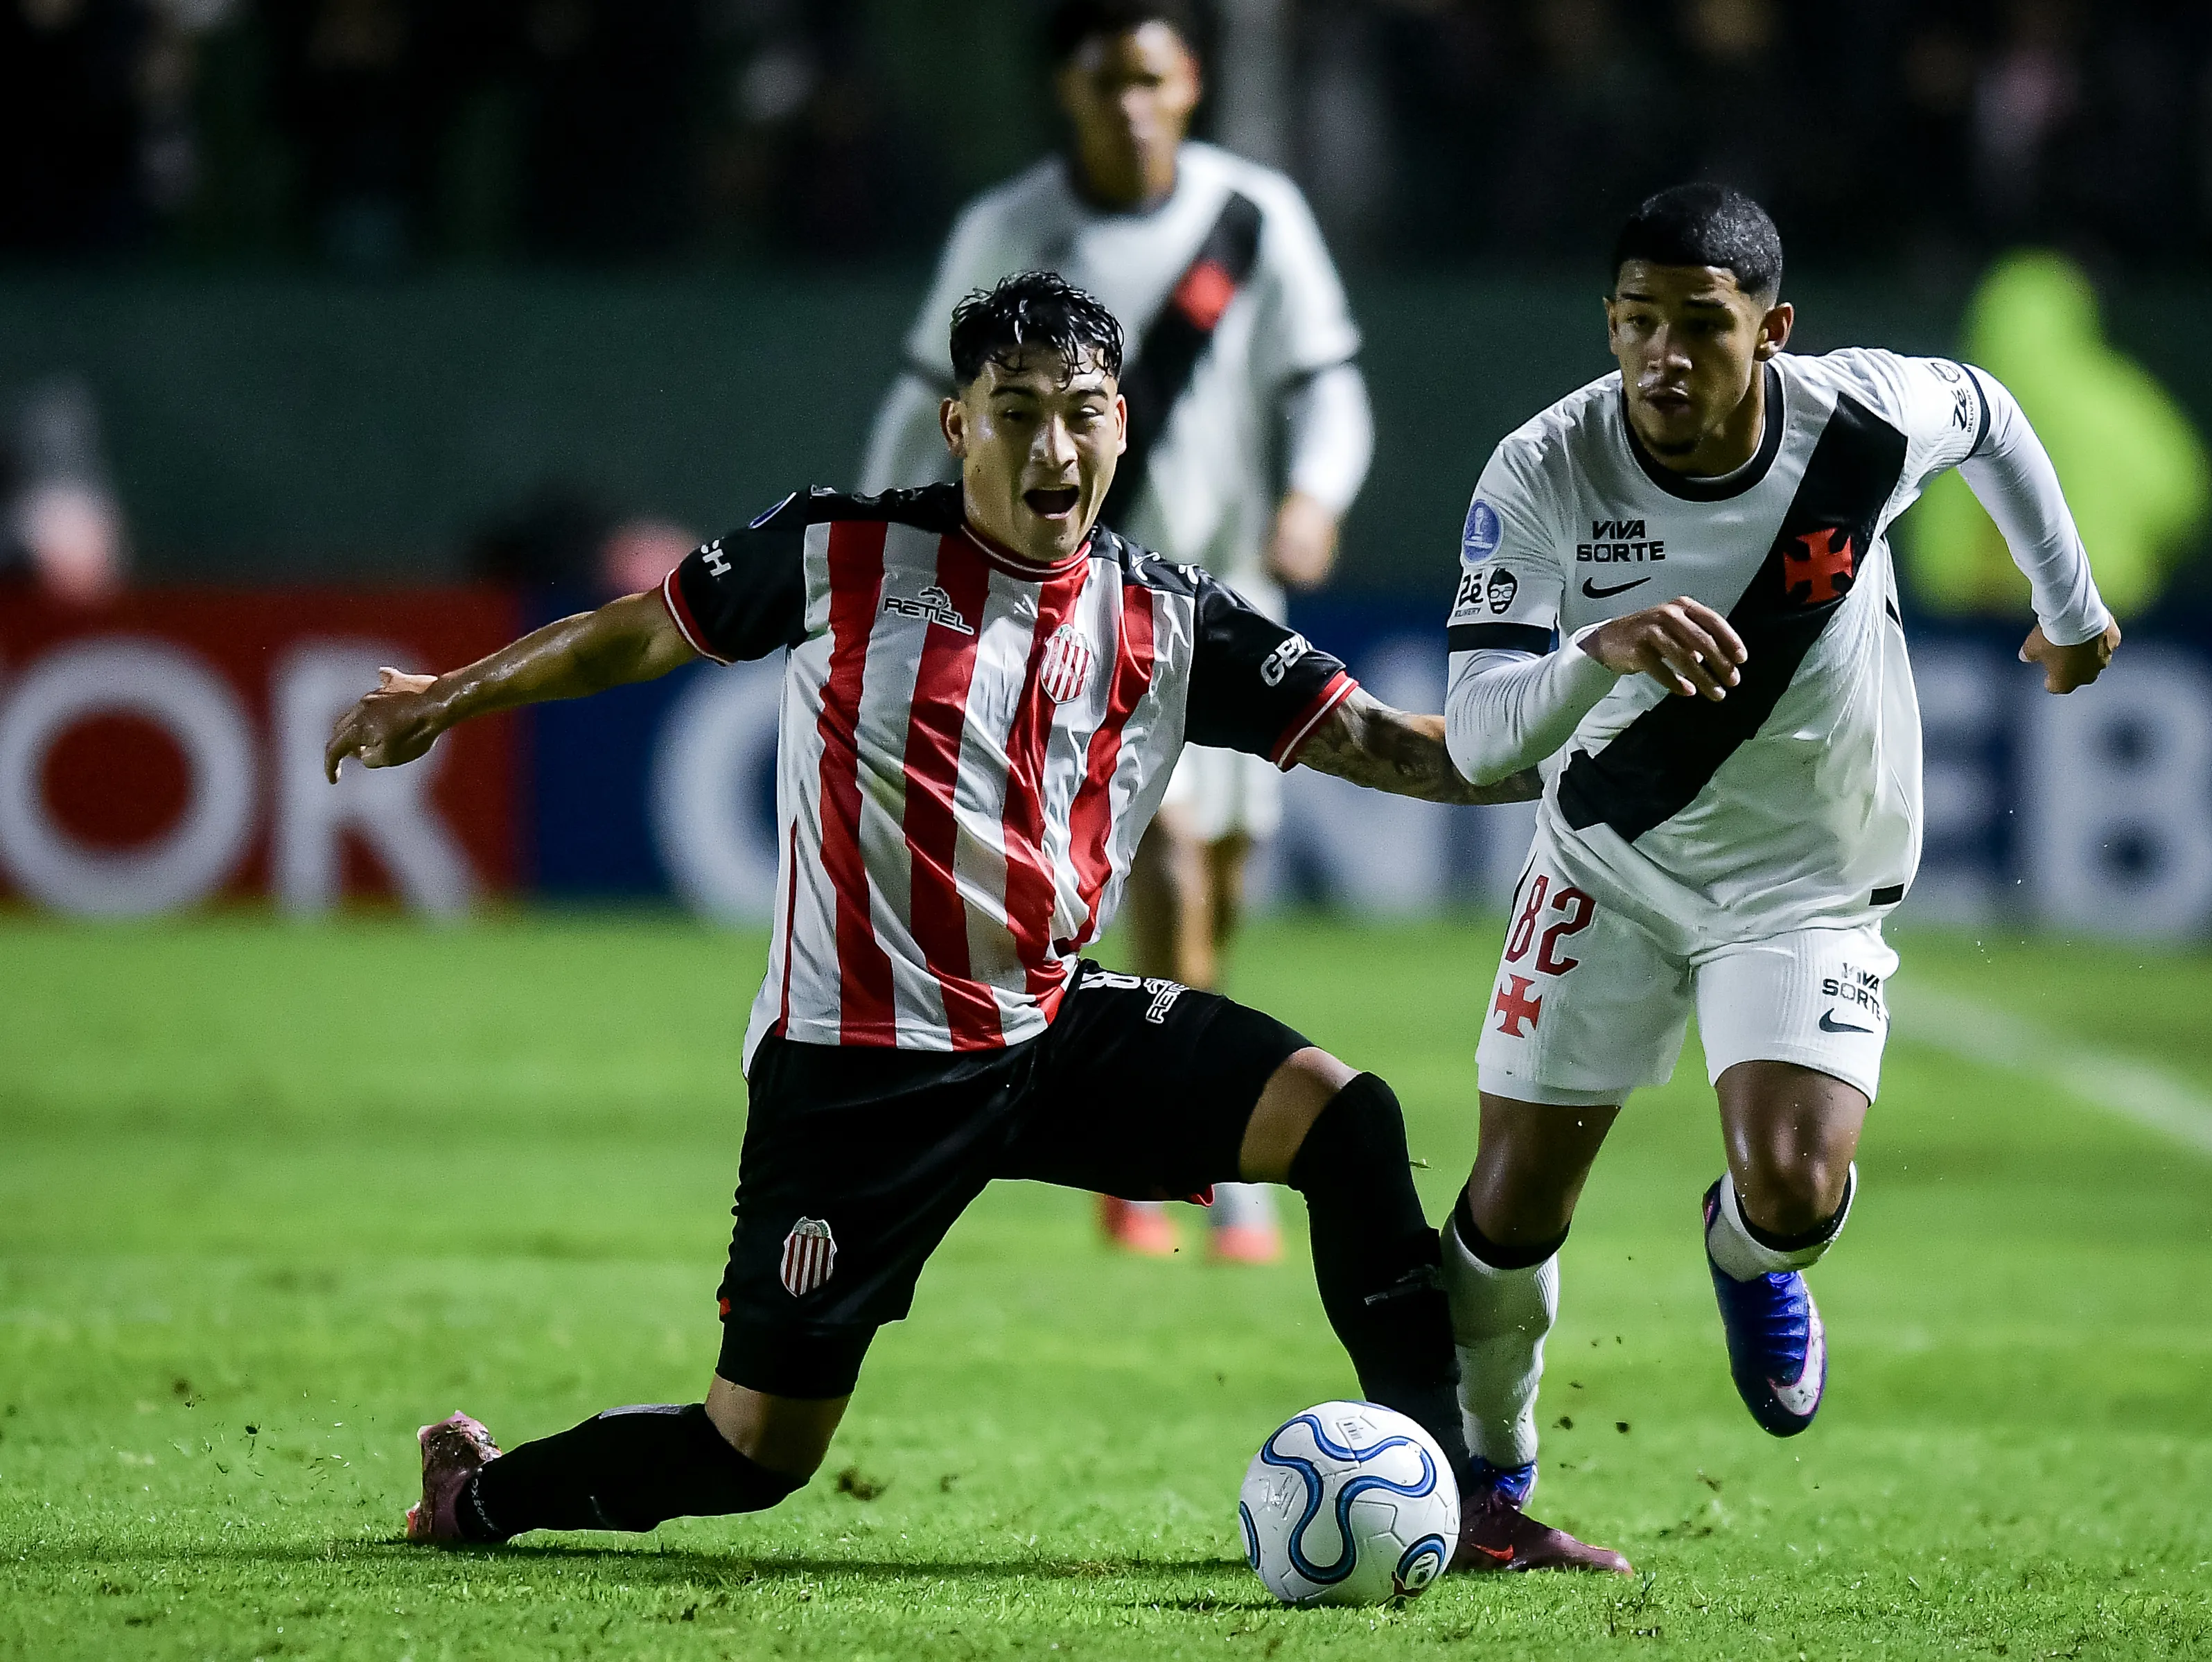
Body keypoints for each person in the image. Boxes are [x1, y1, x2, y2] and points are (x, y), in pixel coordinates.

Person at [330, 272, 1626, 1574]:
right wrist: (449, 694)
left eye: (1079, 414)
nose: (1050, 448)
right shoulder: (842, 550)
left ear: (1123, 423)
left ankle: (1462, 1503)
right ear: (958, 427)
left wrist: (1593, 723)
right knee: (752, 1455)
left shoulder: (1170, 613)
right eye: (1015, 412)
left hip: (1050, 1027)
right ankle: (479, 1498)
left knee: (1346, 1117)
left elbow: (1391, 746)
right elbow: (633, 637)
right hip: (855, 1073)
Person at [1432, 184, 2120, 1550]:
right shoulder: (1541, 466)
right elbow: (1471, 734)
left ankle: (1745, 1253)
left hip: (1805, 871)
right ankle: (1490, 1485)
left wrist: (2070, 604)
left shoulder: (1858, 419)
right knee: (1507, 1208)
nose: (1661, 358)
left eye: (1700, 324)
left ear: (1772, 330)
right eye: (1635, 322)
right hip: (1608, 857)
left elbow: (1987, 408)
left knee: (1795, 1185)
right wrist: (1598, 651)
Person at [860, 0, 1374, 1262]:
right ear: (1068, 94)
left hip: (1232, 593)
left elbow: (1330, 388)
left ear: (1190, 81)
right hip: (1075, 601)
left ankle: (1169, 1124)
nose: (1130, 106)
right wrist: (883, 551)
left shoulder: (1256, 218)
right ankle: (1199, 1163)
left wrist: (1316, 498)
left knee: (1224, 868)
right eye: (1106, 84)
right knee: (1176, 850)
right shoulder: (1010, 230)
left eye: (1151, 78)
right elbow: (928, 400)